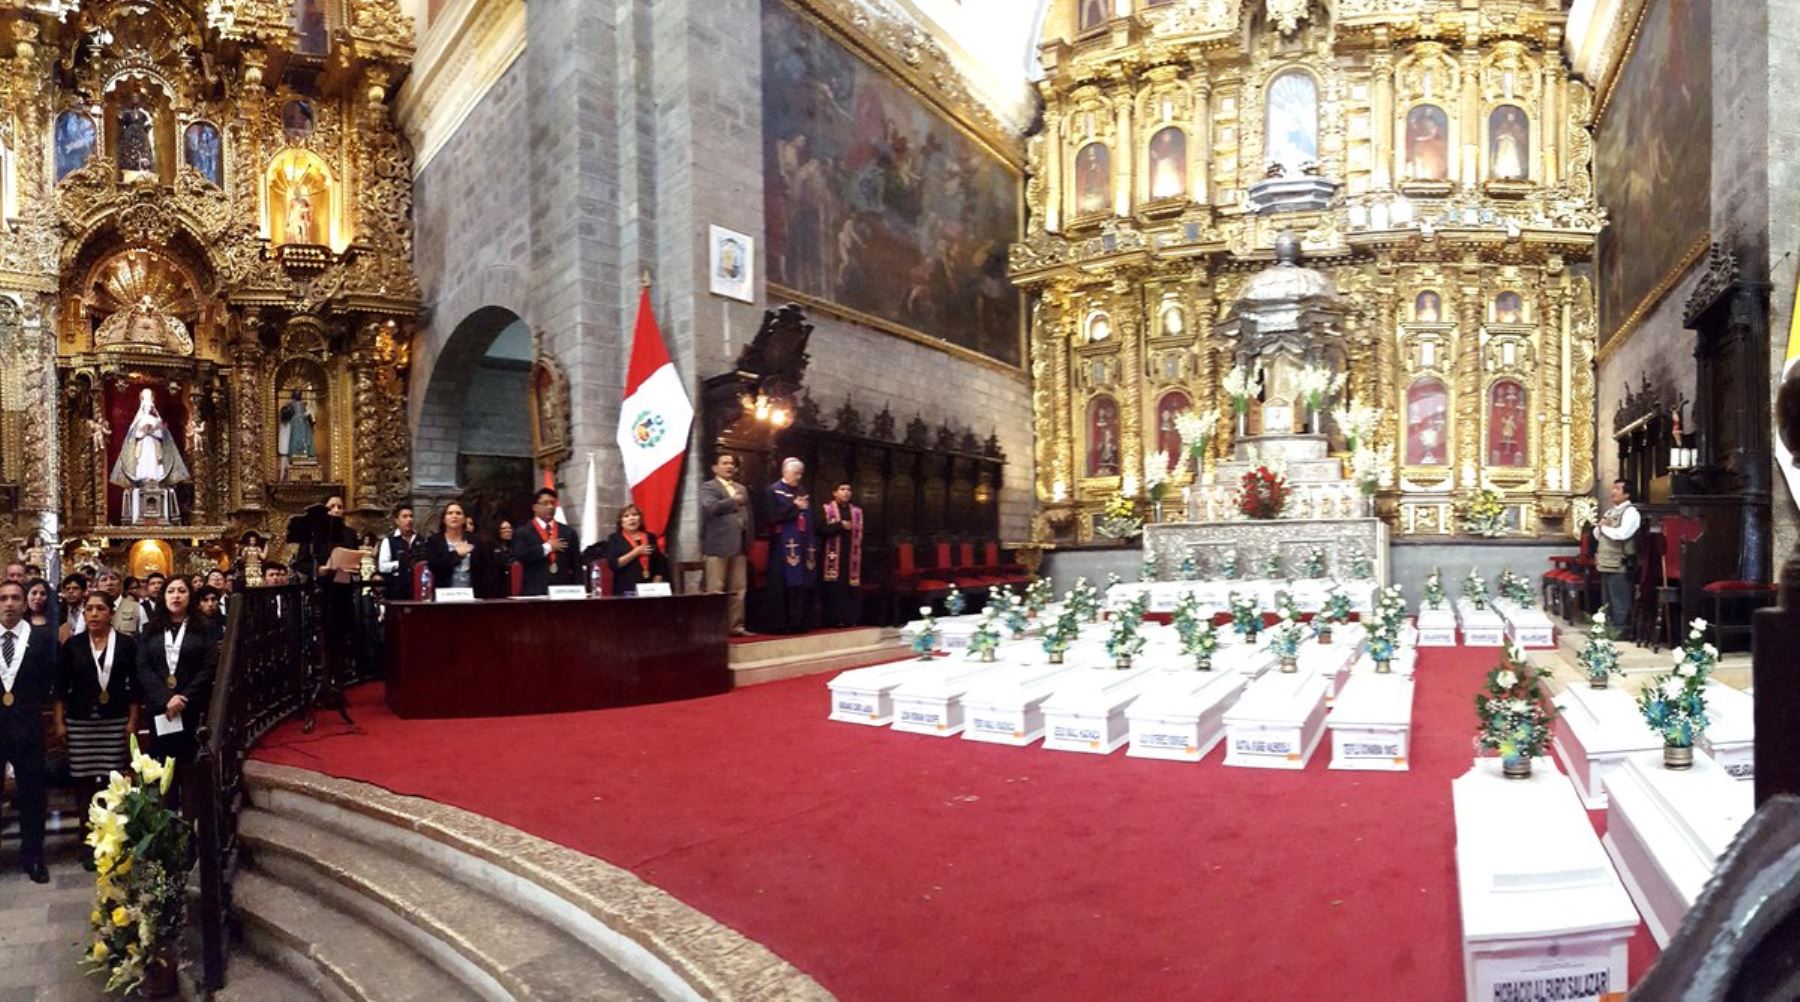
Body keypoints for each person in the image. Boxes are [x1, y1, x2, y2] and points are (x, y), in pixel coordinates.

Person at [135, 576, 218, 794]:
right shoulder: (150, 628)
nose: (176, 595)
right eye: (171, 591)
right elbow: (143, 667)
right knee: (163, 769)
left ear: (190, 596)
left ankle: (191, 822)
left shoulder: (205, 628)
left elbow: (208, 667)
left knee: (190, 768)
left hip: (192, 707)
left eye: (182, 591)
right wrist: (166, 698)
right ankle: (167, 821)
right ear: (163, 596)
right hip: (161, 709)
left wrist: (182, 698)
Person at [56, 591, 138, 793]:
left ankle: (113, 825)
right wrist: (59, 722)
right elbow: (60, 686)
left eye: (100, 609)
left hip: (115, 719)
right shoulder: (73, 645)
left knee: (115, 780)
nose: (94, 614)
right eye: (89, 610)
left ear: (111, 613)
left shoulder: (126, 644)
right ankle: (87, 823)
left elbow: (136, 686)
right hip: (80, 721)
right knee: (83, 782)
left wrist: (133, 719)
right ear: (83, 615)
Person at [0, 580, 55, 882]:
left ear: (25, 603)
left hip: (28, 726)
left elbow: (49, 679)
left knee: (33, 795)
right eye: (3, 598)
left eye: (15, 598)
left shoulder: (42, 638)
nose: (9, 603)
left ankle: (33, 856)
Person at [700, 453, 752, 635]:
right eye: (725, 463)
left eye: (732, 463)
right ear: (715, 468)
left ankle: (736, 626)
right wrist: (733, 501)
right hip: (718, 545)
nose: (730, 466)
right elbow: (710, 508)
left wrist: (749, 539)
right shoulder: (708, 487)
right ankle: (714, 628)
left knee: (739, 589)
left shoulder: (741, 488)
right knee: (716, 589)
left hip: (739, 545)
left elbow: (748, 516)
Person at [765, 458, 818, 633]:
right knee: (782, 585)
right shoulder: (773, 491)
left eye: (801, 473)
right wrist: (794, 507)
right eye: (796, 473)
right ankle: (780, 624)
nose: (799, 477)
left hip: (802, 545)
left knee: (800, 585)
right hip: (782, 545)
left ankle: (799, 622)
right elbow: (771, 517)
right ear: (785, 472)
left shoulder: (802, 491)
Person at [585, 504, 670, 596]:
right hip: (625, 588)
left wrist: (655, 584)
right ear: (621, 522)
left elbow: (660, 563)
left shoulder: (650, 537)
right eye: (626, 516)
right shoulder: (615, 538)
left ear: (640, 519)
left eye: (635, 515)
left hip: (649, 588)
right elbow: (614, 564)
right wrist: (636, 552)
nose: (631, 518)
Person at [512, 488, 578, 595]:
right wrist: (547, 547)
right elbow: (522, 556)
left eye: (552, 503)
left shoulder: (568, 532)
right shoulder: (523, 532)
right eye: (545, 503)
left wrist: (579, 589)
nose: (550, 507)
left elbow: (576, 564)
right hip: (535, 590)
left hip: (563, 591)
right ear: (535, 507)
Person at [1596, 479, 1641, 631]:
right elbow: (1598, 534)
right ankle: (1607, 629)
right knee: (1607, 599)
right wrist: (1600, 528)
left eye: (1617, 489)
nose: (1613, 492)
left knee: (1620, 599)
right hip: (1605, 561)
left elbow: (1622, 534)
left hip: (1620, 562)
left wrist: (1604, 529)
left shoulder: (1630, 512)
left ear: (1627, 494)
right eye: (1613, 488)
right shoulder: (1610, 511)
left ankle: (1621, 630)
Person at [819, 483, 864, 628]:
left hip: (850, 556)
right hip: (831, 556)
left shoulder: (857, 512)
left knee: (850, 588)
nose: (846, 492)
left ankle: (849, 618)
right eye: (842, 489)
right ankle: (833, 619)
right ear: (835, 492)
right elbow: (820, 530)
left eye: (849, 489)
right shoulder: (826, 509)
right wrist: (840, 525)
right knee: (834, 589)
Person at [425, 501, 492, 596]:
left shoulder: (476, 541)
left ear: (464, 519)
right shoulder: (434, 541)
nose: (454, 516)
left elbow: (485, 570)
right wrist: (456, 554)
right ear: (444, 519)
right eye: (450, 513)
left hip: (473, 595)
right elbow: (434, 566)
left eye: (458, 513)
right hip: (444, 595)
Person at [377, 503, 425, 601]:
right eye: (405, 517)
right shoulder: (389, 541)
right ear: (397, 520)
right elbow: (382, 566)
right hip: (396, 591)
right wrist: (401, 564)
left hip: (417, 589)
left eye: (411, 516)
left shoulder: (421, 540)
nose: (409, 520)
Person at [57, 573, 88, 644]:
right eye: (67, 589)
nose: (70, 591)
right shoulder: (58, 611)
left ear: (83, 591)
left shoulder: (90, 609)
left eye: (75, 588)